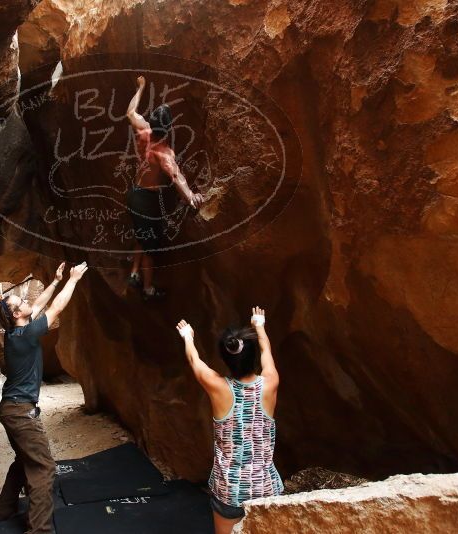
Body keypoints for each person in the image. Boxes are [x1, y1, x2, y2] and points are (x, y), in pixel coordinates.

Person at [0, 261, 89, 533]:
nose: (25, 301)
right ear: (15, 315)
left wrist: (56, 281)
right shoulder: (25, 334)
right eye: (18, 302)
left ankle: (4, 510)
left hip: (11, 409)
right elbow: (55, 308)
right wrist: (73, 279)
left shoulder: (17, 332)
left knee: (24, 460)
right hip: (21, 413)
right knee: (43, 468)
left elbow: (38, 305)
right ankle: (40, 531)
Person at [176, 307, 283, 534]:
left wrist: (188, 337)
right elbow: (267, 351)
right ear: (253, 356)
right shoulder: (270, 382)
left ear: (225, 359)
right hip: (265, 486)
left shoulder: (219, 388)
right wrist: (259, 325)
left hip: (229, 488)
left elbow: (195, 361)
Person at [125, 75, 204, 301]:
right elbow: (177, 176)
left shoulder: (143, 132)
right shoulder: (164, 153)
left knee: (141, 234)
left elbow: (130, 112)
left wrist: (140, 87)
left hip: (134, 194)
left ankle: (133, 274)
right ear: (168, 128)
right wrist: (191, 197)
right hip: (148, 200)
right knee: (151, 248)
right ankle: (148, 289)